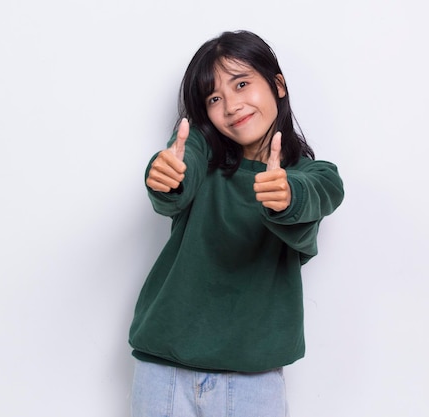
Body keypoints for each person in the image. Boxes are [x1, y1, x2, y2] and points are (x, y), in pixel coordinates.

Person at [129, 30, 344, 417]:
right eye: (214, 98)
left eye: (242, 83)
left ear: (278, 84)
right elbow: (179, 172)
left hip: (253, 380)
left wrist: (287, 195)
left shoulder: (312, 175)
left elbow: (322, 190)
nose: (231, 105)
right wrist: (167, 176)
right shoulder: (198, 148)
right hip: (164, 368)